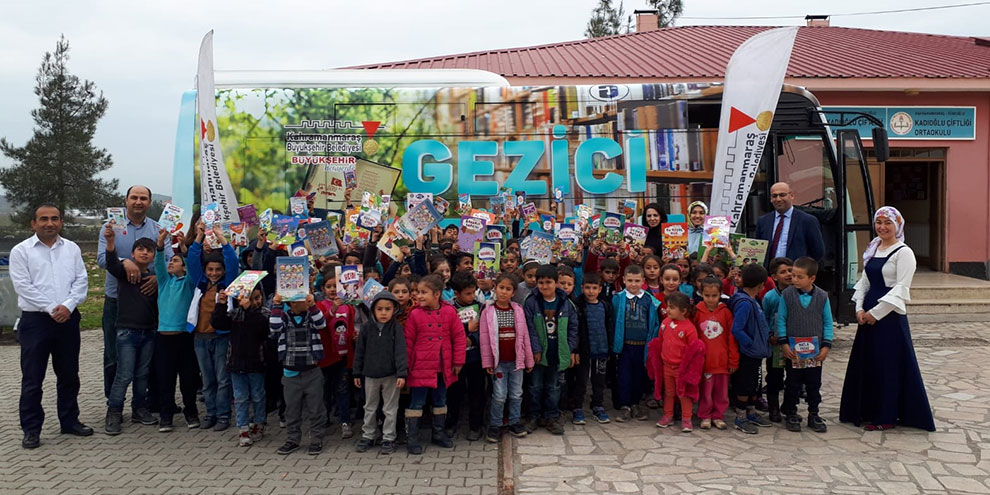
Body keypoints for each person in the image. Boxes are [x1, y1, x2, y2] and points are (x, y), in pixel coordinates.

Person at [840, 207, 935, 432]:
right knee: (869, 364)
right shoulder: (874, 248)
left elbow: (901, 289)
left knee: (888, 366)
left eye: (887, 223)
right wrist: (860, 308)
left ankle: (887, 415)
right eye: (879, 222)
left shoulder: (904, 253)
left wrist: (876, 313)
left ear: (898, 226)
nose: (882, 227)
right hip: (868, 316)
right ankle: (865, 410)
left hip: (889, 319)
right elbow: (864, 282)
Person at [10, 205, 91, 449]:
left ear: (61, 222)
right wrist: (52, 308)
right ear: (33, 224)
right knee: (33, 378)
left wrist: (67, 306)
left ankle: (69, 421)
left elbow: (81, 280)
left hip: (67, 319)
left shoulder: (72, 249)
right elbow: (23, 286)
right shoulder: (21, 251)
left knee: (69, 375)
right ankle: (32, 429)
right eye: (43, 219)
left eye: (54, 219)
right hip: (36, 321)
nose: (49, 223)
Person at [97, 185, 172, 400]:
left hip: (149, 299)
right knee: (113, 355)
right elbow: (102, 260)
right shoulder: (109, 228)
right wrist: (125, 261)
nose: (138, 202)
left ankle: (145, 402)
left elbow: (168, 260)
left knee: (148, 356)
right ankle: (113, 403)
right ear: (126, 200)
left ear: (150, 202)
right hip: (116, 300)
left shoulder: (159, 229)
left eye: (143, 198)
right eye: (134, 197)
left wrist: (159, 277)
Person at [102, 223, 160, 434]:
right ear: (133, 253)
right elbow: (110, 263)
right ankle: (114, 411)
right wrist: (110, 242)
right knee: (124, 374)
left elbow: (169, 265)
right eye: (140, 250)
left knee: (142, 373)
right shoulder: (124, 273)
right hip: (126, 332)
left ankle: (139, 408)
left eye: (149, 250)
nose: (145, 253)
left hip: (149, 331)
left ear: (154, 255)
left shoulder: (157, 278)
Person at [403, 274, 466, 455]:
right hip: (420, 367)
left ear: (437, 294)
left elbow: (459, 338)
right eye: (418, 292)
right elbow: (408, 342)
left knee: (440, 400)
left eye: (424, 292)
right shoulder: (414, 314)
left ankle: (438, 433)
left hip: (442, 366)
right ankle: (412, 438)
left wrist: (458, 361)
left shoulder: (449, 312)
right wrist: (406, 367)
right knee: (417, 402)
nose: (419, 296)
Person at [186, 222, 240, 431]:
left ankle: (224, 415)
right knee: (207, 380)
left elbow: (232, 261)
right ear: (205, 270)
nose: (214, 273)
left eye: (218, 269)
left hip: (221, 337)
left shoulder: (228, 284)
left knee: (223, 379)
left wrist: (221, 237)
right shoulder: (200, 282)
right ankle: (210, 414)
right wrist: (199, 236)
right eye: (210, 269)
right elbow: (192, 259)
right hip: (200, 337)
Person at [776, 256, 832, 433]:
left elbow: (828, 322)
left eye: (800, 277)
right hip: (794, 350)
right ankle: (791, 412)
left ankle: (813, 413)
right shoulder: (787, 295)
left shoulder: (822, 297)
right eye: (793, 276)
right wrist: (783, 343)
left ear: (812, 278)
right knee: (792, 382)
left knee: (814, 383)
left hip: (815, 351)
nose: (795, 280)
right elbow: (781, 319)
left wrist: (826, 346)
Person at [153, 227, 201, 431]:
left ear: (184, 268)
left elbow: (193, 266)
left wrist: (184, 248)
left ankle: (191, 412)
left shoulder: (189, 283)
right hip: (164, 338)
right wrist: (160, 243)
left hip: (184, 336)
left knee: (188, 378)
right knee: (166, 378)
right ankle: (166, 416)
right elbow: (158, 265)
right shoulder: (164, 282)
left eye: (175, 261)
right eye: (171, 260)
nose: (171, 263)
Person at [270, 292, 328, 455]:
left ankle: (316, 439)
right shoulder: (283, 317)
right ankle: (292, 439)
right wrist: (276, 305)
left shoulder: (311, 316)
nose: (307, 301)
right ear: (293, 304)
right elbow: (274, 327)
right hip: (290, 372)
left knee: (316, 408)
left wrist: (313, 305)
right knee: (292, 409)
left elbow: (321, 323)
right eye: (304, 300)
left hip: (312, 370)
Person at [524, 265, 578, 435]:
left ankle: (551, 417)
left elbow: (573, 328)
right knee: (535, 386)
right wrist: (535, 348)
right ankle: (533, 416)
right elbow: (529, 328)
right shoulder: (531, 302)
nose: (544, 286)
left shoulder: (566, 303)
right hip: (538, 354)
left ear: (556, 283)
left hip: (557, 352)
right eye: (541, 283)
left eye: (548, 282)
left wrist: (569, 349)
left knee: (554, 387)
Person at [480, 274, 534, 442]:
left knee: (517, 393)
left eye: (508, 289)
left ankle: (515, 422)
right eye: (501, 288)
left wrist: (528, 359)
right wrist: (488, 361)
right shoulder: (488, 311)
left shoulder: (518, 309)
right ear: (495, 288)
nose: (503, 292)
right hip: (498, 363)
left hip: (516, 362)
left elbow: (525, 336)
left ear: (513, 292)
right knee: (499, 395)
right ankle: (495, 425)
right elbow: (484, 339)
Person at [213, 287, 270, 446]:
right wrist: (221, 304)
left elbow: (262, 330)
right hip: (236, 362)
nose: (256, 301)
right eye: (252, 299)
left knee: (258, 395)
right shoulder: (235, 314)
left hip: (256, 362)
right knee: (240, 397)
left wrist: (250, 310)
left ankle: (259, 423)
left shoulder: (263, 313)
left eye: (258, 298)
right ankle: (243, 428)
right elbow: (218, 323)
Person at [353, 291, 408, 455]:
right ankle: (368, 435)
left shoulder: (396, 328)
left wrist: (401, 374)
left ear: (394, 310)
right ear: (373, 310)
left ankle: (389, 438)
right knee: (369, 407)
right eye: (380, 309)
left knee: (390, 409)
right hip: (370, 375)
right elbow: (359, 352)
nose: (384, 313)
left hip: (391, 375)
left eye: (388, 309)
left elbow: (400, 352)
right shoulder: (366, 328)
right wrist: (356, 373)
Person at [647, 292, 704, 432]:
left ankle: (686, 419)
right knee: (669, 393)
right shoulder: (665, 323)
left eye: (672, 307)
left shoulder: (689, 328)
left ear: (683, 311)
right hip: (667, 367)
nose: (668, 310)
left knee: (683, 394)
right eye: (668, 307)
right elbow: (661, 341)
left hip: (681, 369)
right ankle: (668, 415)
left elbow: (694, 351)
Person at [611, 264, 660, 423]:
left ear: (643, 281)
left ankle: (635, 404)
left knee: (639, 376)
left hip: (642, 346)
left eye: (637, 280)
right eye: (630, 280)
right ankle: (625, 406)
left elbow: (654, 324)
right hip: (624, 345)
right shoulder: (618, 299)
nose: (633, 284)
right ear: (624, 280)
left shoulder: (649, 300)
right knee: (624, 376)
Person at [728, 263, 773, 434]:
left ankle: (751, 412)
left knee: (754, 384)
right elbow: (737, 329)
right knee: (744, 385)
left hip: (755, 353)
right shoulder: (745, 303)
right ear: (761, 285)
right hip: (747, 352)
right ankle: (741, 417)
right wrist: (750, 343)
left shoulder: (752, 300)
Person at [569, 272, 614, 425]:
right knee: (581, 381)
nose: (591, 291)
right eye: (587, 288)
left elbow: (609, 326)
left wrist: (610, 348)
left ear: (600, 289)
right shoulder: (578, 306)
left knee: (599, 380)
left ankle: (598, 406)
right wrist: (575, 349)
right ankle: (578, 408)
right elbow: (576, 330)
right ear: (582, 288)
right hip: (584, 351)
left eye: (594, 288)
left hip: (601, 349)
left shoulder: (605, 306)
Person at [315, 272, 356, 440]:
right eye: (329, 287)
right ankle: (324, 419)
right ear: (323, 289)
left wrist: (354, 335)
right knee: (324, 389)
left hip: (344, 355)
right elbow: (320, 323)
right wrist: (333, 309)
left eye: (336, 286)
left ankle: (345, 421)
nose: (333, 290)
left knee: (342, 389)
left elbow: (351, 326)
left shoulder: (349, 307)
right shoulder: (320, 305)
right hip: (326, 356)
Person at [446, 270, 486, 442]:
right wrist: (465, 330)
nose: (471, 296)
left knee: (477, 393)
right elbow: (446, 331)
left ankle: (475, 426)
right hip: (455, 360)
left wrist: (472, 340)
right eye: (467, 293)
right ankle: (451, 424)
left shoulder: (481, 307)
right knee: (454, 393)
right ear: (456, 293)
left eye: (473, 292)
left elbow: (484, 330)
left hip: (475, 358)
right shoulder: (448, 309)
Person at [693, 276, 737, 430]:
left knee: (722, 392)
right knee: (705, 391)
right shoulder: (697, 312)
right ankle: (705, 415)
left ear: (720, 295)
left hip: (722, 362)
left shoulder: (726, 313)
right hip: (704, 362)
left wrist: (733, 360)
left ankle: (718, 415)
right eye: (707, 295)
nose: (710, 299)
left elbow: (732, 338)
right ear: (701, 294)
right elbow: (693, 338)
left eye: (714, 295)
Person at [755, 182, 825, 262]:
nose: (778, 199)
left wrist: (801, 270)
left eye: (782, 195)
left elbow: (818, 252)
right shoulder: (763, 221)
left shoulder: (807, 221)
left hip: (795, 272)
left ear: (792, 196)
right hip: (770, 273)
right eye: (774, 196)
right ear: (771, 199)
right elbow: (758, 250)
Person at [761, 257, 793, 423]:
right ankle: (773, 408)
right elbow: (764, 318)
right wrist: (769, 336)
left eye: (790, 270)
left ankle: (788, 407)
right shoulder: (770, 297)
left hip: (795, 344)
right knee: (774, 377)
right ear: (774, 277)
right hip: (776, 345)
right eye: (783, 272)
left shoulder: (799, 294)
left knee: (794, 377)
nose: (788, 274)